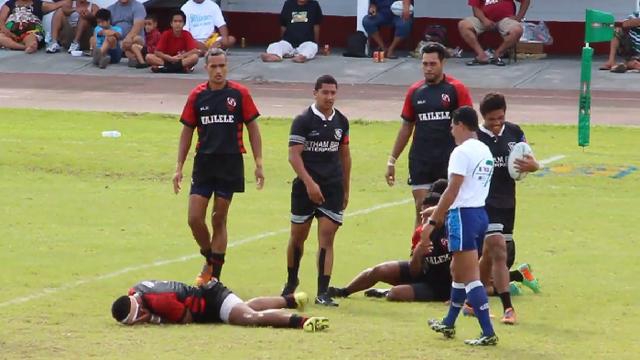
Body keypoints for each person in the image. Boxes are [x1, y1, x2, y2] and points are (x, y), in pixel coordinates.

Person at [173, 48, 264, 286]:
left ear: (228, 66)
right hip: (204, 163)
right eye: (213, 66)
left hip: (230, 162)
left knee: (218, 218)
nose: (218, 71)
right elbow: (187, 131)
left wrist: (258, 163)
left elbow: (253, 127)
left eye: (222, 66)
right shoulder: (197, 96)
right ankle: (209, 257)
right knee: (194, 218)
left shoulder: (240, 94)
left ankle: (215, 278)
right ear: (206, 68)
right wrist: (179, 166)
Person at [418, 106, 498, 346]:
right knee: (457, 270)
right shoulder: (484, 149)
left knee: (471, 277)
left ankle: (488, 332)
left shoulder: (460, 152)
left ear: (461, 124)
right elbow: (470, 189)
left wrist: (432, 223)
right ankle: (449, 322)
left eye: (453, 125)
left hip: (463, 217)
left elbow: (453, 190)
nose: (451, 130)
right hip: (478, 214)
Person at [385, 42, 473, 230]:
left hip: (449, 160)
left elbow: (469, 126)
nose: (428, 68)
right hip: (421, 159)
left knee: (448, 210)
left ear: (443, 63)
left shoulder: (456, 89)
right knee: (421, 209)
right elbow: (406, 127)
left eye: (433, 64)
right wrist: (392, 160)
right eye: (425, 64)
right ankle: (417, 253)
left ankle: (445, 255)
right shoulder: (415, 91)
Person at [281, 74, 351, 307]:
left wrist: (346, 187)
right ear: (315, 93)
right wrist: (310, 184)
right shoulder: (303, 120)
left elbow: (344, 155)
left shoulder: (341, 121)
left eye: (333, 93)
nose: (329, 97)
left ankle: (323, 291)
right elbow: (294, 156)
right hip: (304, 187)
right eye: (325, 92)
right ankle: (291, 282)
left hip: (332, 186)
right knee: (298, 237)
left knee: (327, 238)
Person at [471, 92, 540, 325]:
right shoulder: (475, 137)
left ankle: (471, 301)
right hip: (483, 203)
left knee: (490, 255)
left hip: (507, 203)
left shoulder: (515, 132)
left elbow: (530, 161)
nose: (497, 123)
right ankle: (508, 308)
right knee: (499, 249)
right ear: (484, 118)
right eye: (492, 119)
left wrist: (533, 166)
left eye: (500, 117)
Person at [328, 190, 452, 302]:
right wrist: (418, 253)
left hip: (442, 285)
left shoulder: (452, 230)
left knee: (396, 293)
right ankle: (344, 291)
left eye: (429, 215)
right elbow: (414, 272)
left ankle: (385, 292)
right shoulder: (420, 232)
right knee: (379, 270)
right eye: (422, 216)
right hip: (424, 276)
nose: (424, 221)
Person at [111, 279, 329, 332]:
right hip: (208, 295)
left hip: (212, 302)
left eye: (136, 320)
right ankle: (292, 300)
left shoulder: (159, 301)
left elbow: (186, 318)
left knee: (250, 318)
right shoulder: (136, 291)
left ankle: (303, 322)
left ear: (138, 311)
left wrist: (154, 319)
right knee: (246, 307)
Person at [458, 0, 530, 66]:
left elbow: (526, 1)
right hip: (483, 19)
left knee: (517, 30)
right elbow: (475, 9)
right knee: (463, 25)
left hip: (505, 19)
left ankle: (497, 54)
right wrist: (484, 20)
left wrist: (519, 18)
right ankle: (481, 55)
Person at [0, 0, 70, 53]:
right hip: (11, 31)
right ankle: (23, 47)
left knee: (32, 39)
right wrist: (6, 30)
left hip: (31, 31)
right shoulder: (9, 4)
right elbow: (1, 19)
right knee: (1, 37)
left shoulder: (38, 4)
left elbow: (57, 4)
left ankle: (27, 46)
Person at [107, 0, 146, 67]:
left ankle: (133, 57)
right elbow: (105, 27)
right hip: (118, 40)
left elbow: (138, 25)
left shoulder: (138, 6)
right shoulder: (110, 9)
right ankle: (132, 57)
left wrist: (129, 38)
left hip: (134, 39)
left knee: (136, 39)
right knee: (108, 39)